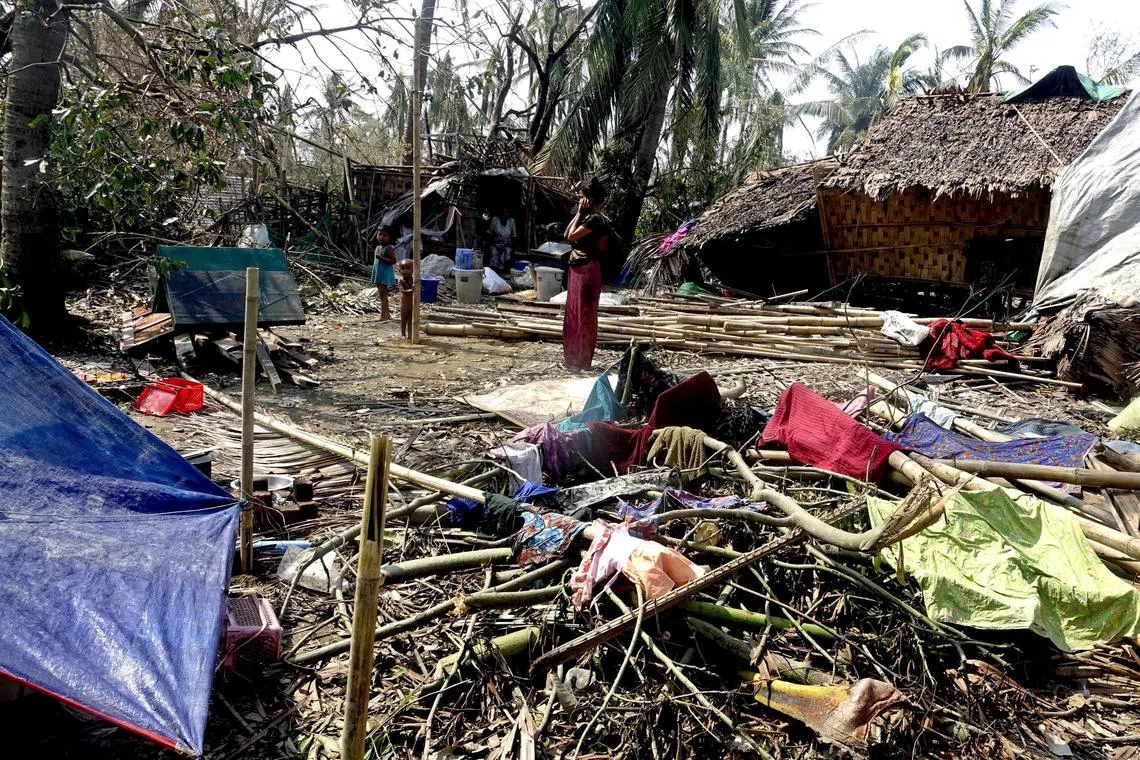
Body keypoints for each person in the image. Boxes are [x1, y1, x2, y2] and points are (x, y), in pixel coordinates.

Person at [562, 179, 611, 370]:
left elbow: (571, 236)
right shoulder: (585, 218)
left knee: (585, 314)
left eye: (582, 197)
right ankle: (574, 359)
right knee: (574, 312)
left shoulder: (594, 219)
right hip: (578, 268)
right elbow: (567, 234)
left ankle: (583, 360)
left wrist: (581, 213)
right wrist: (578, 214)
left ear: (590, 199)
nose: (580, 200)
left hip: (587, 270)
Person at [371, 227, 398, 321]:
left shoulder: (388, 248)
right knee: (381, 294)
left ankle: (383, 316)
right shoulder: (378, 247)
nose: (382, 237)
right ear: (377, 236)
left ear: (389, 237)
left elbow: (393, 261)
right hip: (378, 272)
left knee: (383, 294)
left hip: (384, 274)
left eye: (385, 235)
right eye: (380, 234)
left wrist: (381, 258)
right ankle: (387, 315)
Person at [397, 258, 415, 339]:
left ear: (412, 270)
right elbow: (404, 291)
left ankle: (410, 335)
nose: (405, 271)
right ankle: (403, 334)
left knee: (411, 320)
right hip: (405, 304)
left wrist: (419, 288)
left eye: (408, 268)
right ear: (399, 271)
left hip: (412, 304)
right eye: (403, 269)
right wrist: (412, 289)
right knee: (404, 319)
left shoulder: (413, 280)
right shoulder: (401, 281)